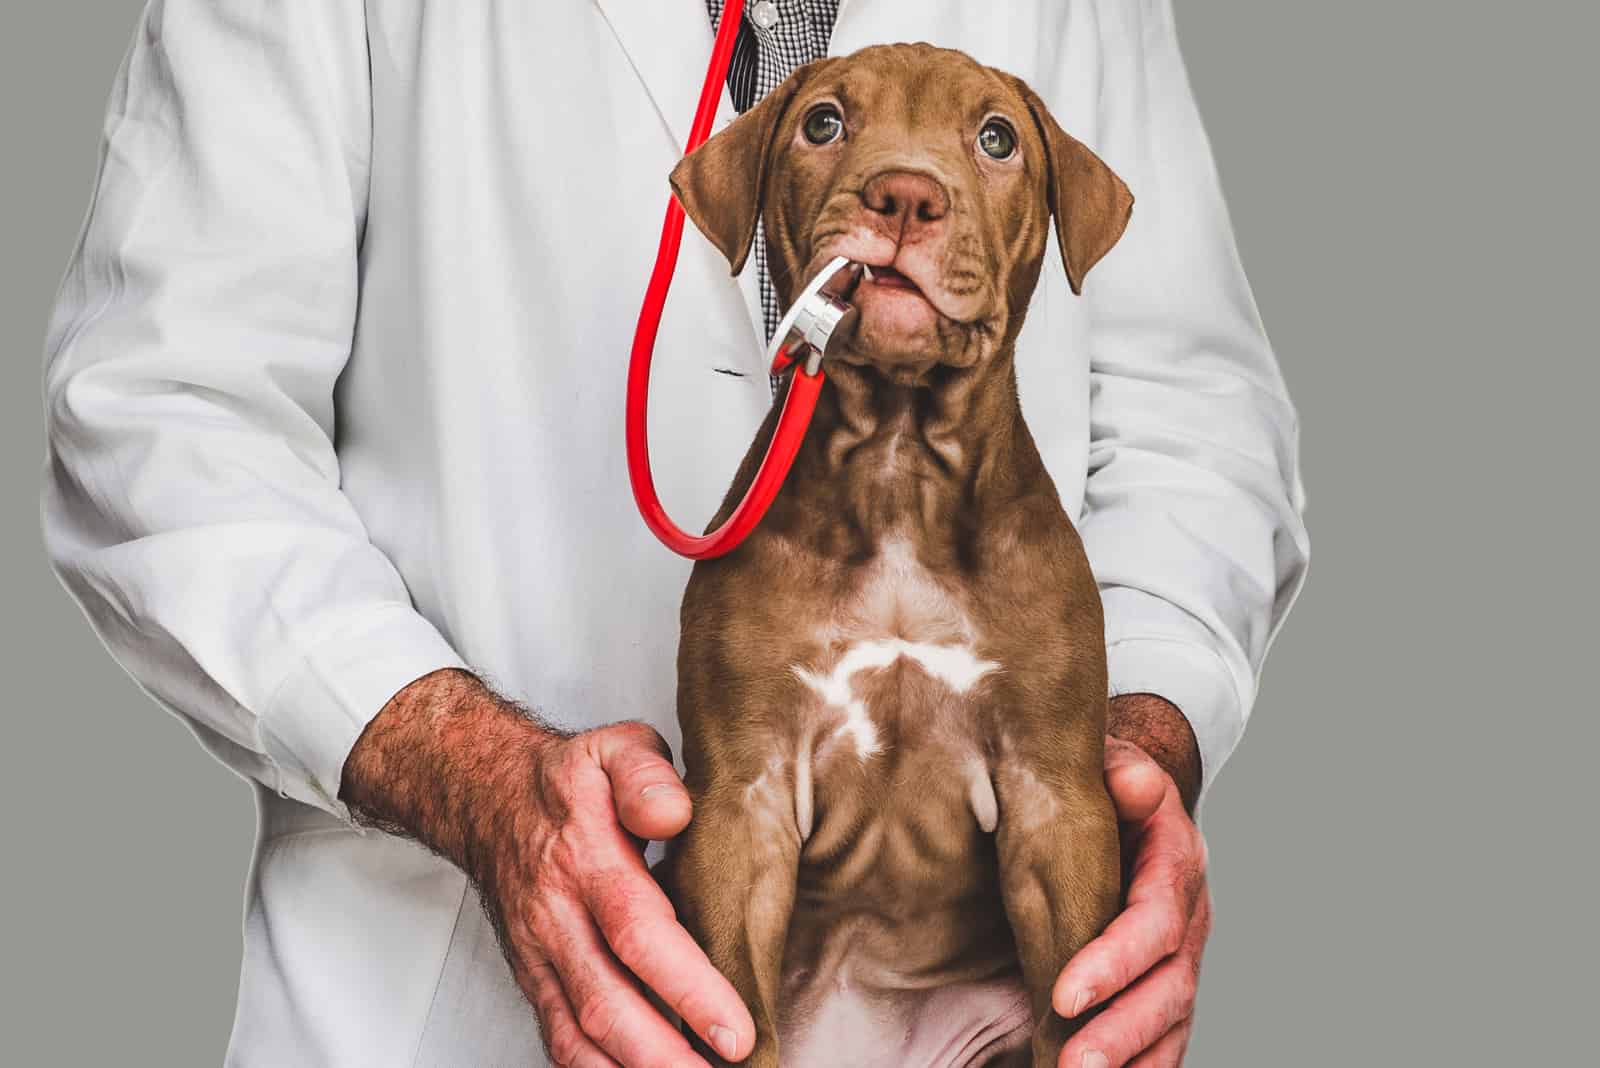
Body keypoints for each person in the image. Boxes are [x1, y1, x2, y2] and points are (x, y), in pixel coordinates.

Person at [39, 2, 1308, 1066]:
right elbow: (163, 411)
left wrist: (1126, 748)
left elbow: (1192, 415)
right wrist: (469, 774)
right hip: (433, 1002)